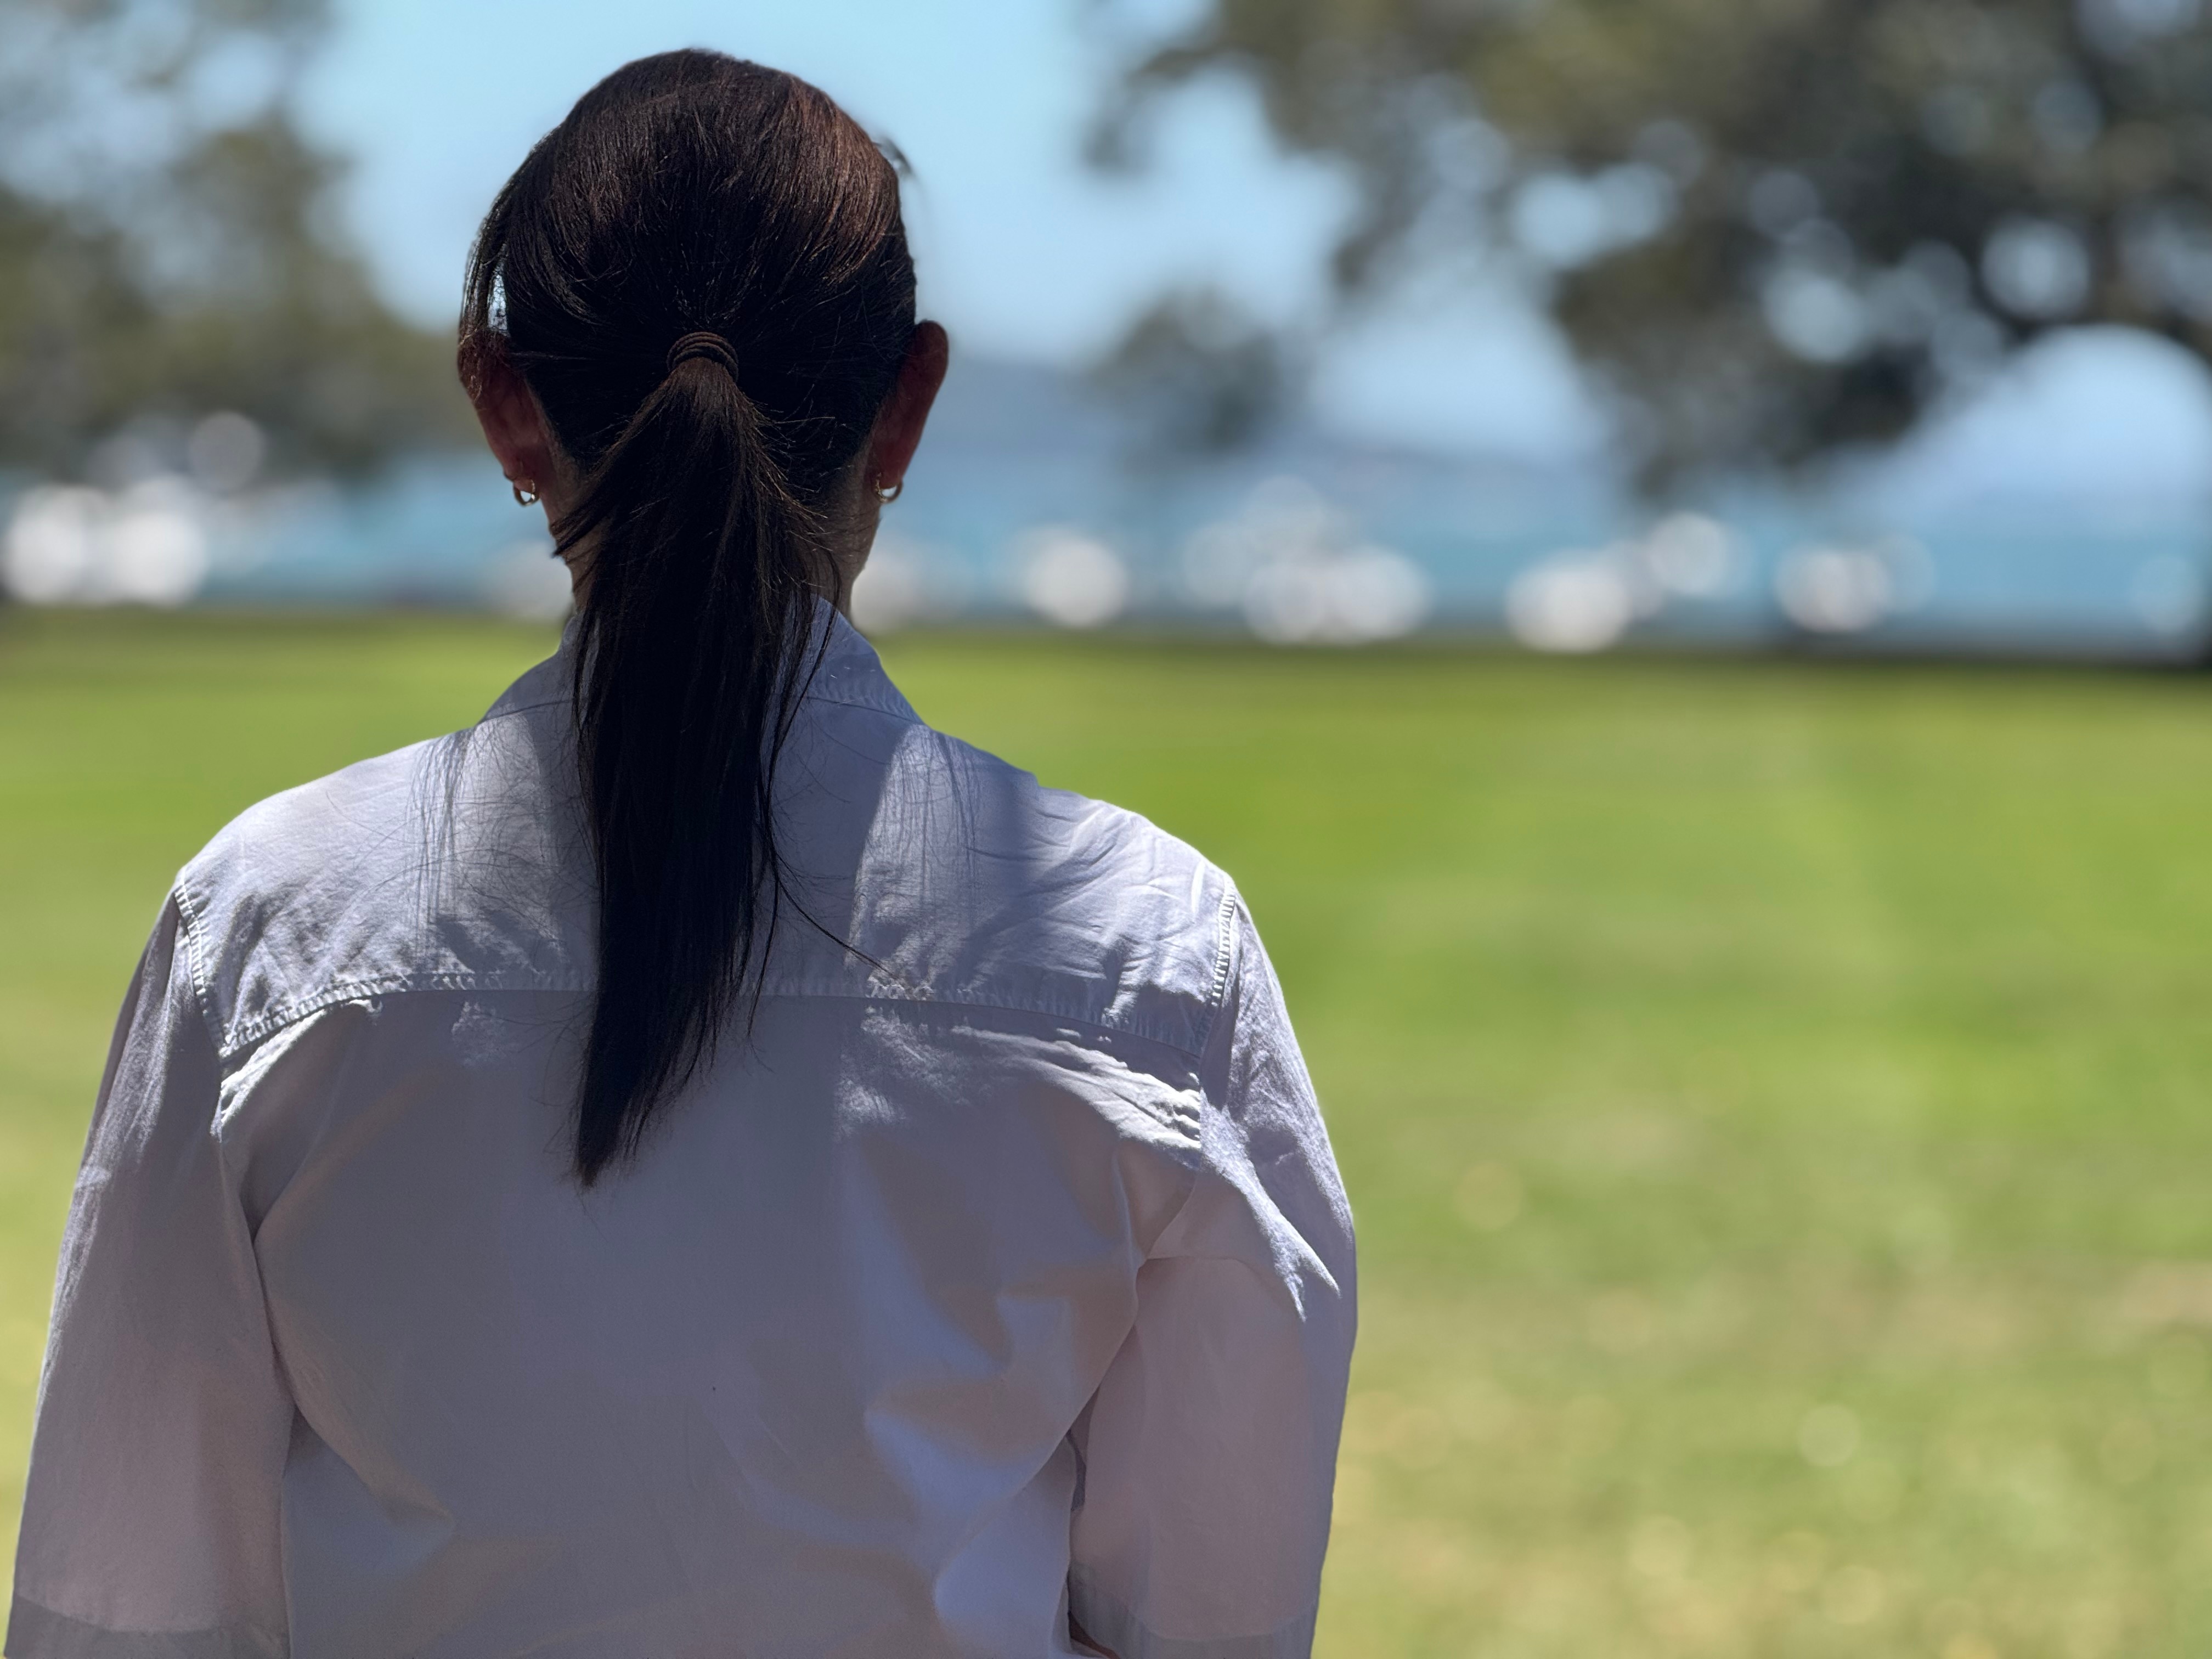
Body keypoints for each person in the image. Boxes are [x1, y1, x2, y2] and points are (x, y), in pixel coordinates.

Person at [8, 51, 1355, 1659]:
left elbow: (129, 1606)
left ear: (508, 407)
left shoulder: (275, 924)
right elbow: (1214, 1619)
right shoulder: (1143, 949)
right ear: (904, 402)